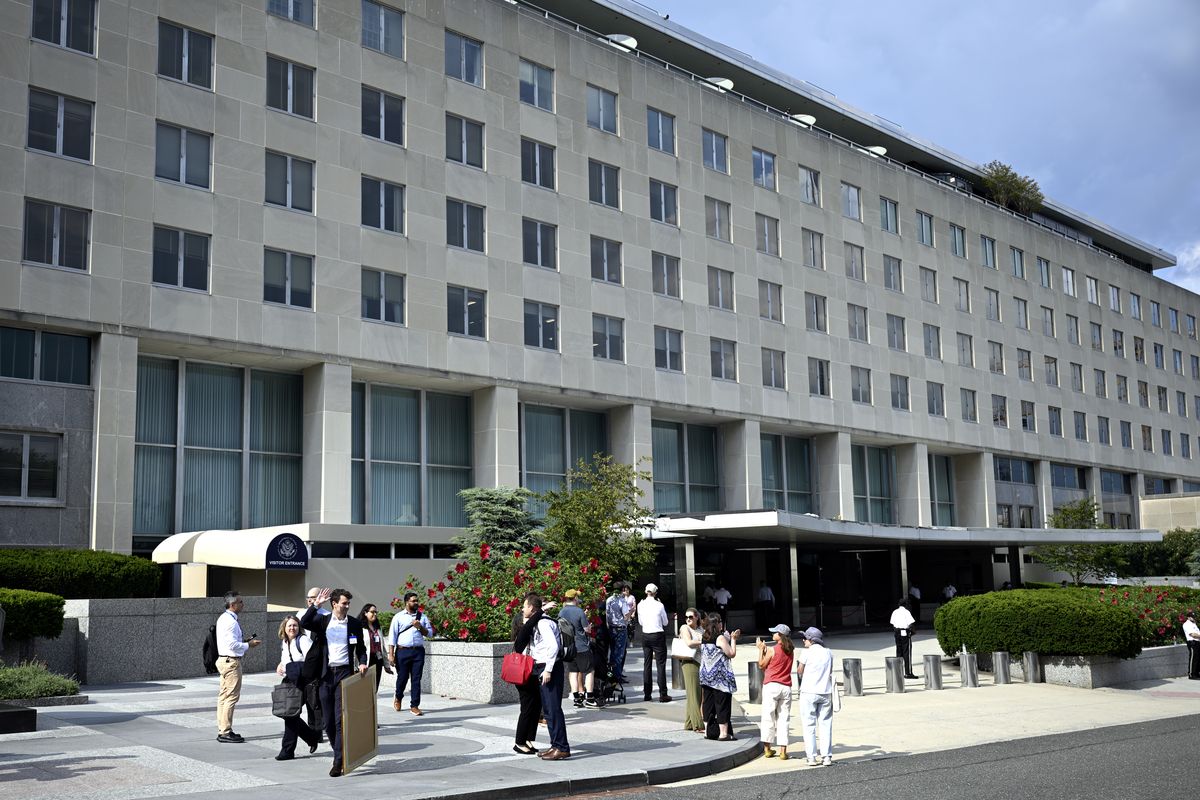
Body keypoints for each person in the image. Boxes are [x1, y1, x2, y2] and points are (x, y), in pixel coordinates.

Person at [300, 587, 368, 778]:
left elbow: (361, 648)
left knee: (340, 720)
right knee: (328, 721)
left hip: (344, 674)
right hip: (325, 675)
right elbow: (304, 622)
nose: (347, 606)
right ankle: (339, 749)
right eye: (344, 603)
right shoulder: (323, 621)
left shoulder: (354, 624)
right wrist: (315, 605)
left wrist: (362, 662)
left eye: (348, 604)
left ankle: (338, 761)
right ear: (334, 604)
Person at [526, 592, 571, 760]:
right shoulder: (540, 622)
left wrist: (548, 670)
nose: (523, 609)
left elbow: (552, 647)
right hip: (544, 666)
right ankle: (556, 745)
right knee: (549, 710)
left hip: (548, 667)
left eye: (524, 606)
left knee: (553, 708)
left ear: (531, 607)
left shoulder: (544, 624)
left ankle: (561, 747)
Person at [215, 590, 260, 743]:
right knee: (231, 697)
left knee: (224, 696)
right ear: (232, 605)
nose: (243, 604)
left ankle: (223, 728)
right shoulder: (230, 621)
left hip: (225, 659)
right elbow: (232, 645)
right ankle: (225, 731)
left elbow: (230, 642)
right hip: (231, 662)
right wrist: (249, 644)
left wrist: (245, 641)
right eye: (240, 602)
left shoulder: (225, 619)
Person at [274, 614, 319, 760]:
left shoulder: (303, 640)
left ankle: (287, 750)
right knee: (287, 713)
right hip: (289, 681)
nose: (292, 628)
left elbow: (312, 662)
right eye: (289, 626)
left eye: (295, 625)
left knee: (290, 715)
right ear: (284, 628)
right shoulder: (285, 642)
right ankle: (311, 737)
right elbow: (285, 660)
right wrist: (280, 666)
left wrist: (290, 667)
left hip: (303, 682)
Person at [386, 591, 433, 716]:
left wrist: (420, 627)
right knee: (402, 678)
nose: (416, 603)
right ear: (407, 602)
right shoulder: (398, 617)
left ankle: (415, 705)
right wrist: (391, 655)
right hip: (402, 651)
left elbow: (429, 634)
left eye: (417, 601)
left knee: (416, 679)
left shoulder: (422, 617)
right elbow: (392, 637)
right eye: (413, 601)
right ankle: (398, 697)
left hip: (418, 651)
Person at [797, 626, 834, 766]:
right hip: (825, 691)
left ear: (811, 640)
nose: (803, 640)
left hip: (808, 692)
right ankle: (827, 757)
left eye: (805, 638)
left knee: (809, 725)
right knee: (826, 724)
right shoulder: (828, 652)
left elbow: (800, 671)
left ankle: (811, 757)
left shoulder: (805, 653)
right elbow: (830, 671)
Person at [698, 612, 738, 740]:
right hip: (719, 677)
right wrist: (733, 639)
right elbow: (731, 653)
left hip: (706, 675)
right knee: (722, 704)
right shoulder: (719, 638)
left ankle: (707, 732)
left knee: (708, 704)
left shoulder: (704, 636)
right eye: (720, 622)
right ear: (717, 624)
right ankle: (723, 734)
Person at [757, 623, 794, 760]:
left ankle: (767, 748)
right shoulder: (790, 649)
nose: (772, 634)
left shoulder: (773, 650)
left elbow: (761, 665)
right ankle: (783, 751)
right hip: (786, 686)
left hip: (772, 685)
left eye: (775, 632)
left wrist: (761, 650)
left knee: (768, 717)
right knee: (784, 719)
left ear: (780, 635)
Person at [559, 589, 596, 708]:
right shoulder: (579, 611)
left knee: (573, 672)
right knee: (590, 670)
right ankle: (589, 698)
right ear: (575, 598)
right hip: (581, 646)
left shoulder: (561, 612)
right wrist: (589, 626)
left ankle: (577, 699)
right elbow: (586, 629)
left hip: (569, 647)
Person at [299, 587, 328, 737]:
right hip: (300, 662)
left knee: (316, 697)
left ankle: (318, 729)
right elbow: (289, 638)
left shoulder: (326, 616)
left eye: (314, 597)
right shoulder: (301, 615)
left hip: (317, 662)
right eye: (308, 597)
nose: (310, 599)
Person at [638, 583, 671, 702]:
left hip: (645, 635)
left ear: (645, 592)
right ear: (655, 593)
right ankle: (663, 693)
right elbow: (666, 622)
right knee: (660, 664)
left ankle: (647, 693)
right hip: (657, 634)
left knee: (647, 664)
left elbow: (641, 622)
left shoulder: (640, 605)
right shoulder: (659, 605)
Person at [677, 607, 703, 732]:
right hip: (689, 662)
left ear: (697, 617)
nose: (688, 619)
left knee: (696, 694)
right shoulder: (684, 628)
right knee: (693, 694)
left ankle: (689, 723)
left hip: (700, 662)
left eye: (691, 617)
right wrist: (703, 640)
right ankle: (698, 724)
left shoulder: (700, 629)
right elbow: (688, 642)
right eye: (686, 617)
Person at [605, 582, 636, 683]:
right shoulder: (621, 600)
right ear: (622, 589)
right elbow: (626, 615)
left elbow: (607, 614)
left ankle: (611, 674)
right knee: (619, 653)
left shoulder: (609, 600)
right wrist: (631, 611)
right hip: (620, 628)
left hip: (611, 628)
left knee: (612, 652)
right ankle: (617, 676)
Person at [358, 603, 390, 691]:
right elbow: (356, 648)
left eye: (376, 612)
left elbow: (382, 647)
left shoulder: (378, 628)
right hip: (366, 660)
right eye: (372, 612)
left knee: (374, 687)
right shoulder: (360, 627)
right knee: (364, 688)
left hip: (378, 660)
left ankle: (372, 704)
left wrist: (386, 664)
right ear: (365, 613)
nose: (375, 614)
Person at [890, 597, 918, 679]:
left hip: (897, 632)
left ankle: (898, 672)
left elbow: (893, 623)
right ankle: (908, 672)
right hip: (905, 633)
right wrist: (913, 632)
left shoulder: (895, 612)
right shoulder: (906, 612)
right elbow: (911, 624)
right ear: (906, 604)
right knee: (907, 652)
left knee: (899, 652)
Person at [1184, 611, 1200, 680]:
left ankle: (1196, 673)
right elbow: (1192, 634)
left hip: (1197, 642)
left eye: (1194, 617)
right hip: (1192, 643)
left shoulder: (1193, 624)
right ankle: (1191, 674)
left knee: (1198, 658)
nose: (1193, 618)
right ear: (1188, 617)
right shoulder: (1186, 624)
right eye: (1192, 617)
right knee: (1193, 658)